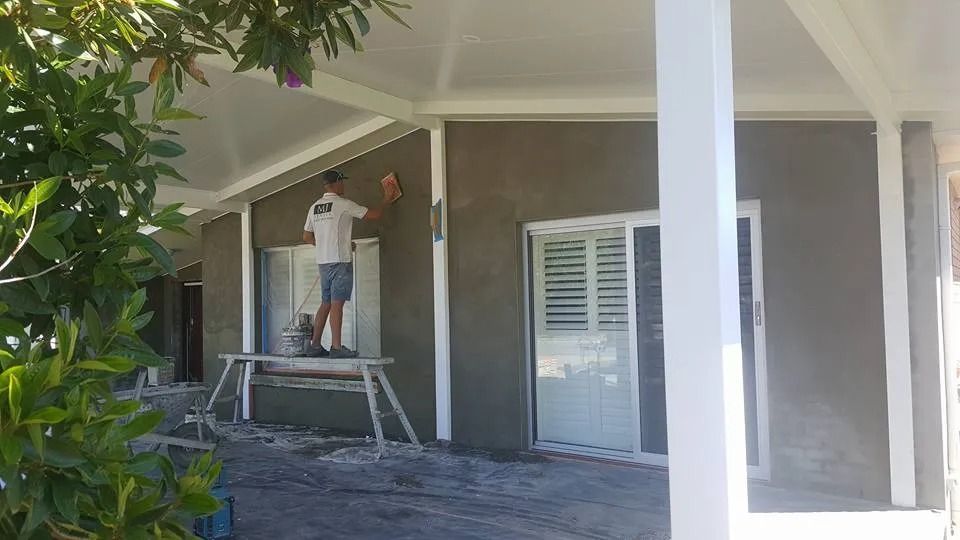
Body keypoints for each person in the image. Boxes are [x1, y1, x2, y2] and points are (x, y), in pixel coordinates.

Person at [302, 169, 397, 358]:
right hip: (340, 262)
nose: (344, 185)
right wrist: (387, 198)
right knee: (337, 304)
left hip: (323, 262)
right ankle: (336, 348)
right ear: (336, 183)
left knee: (326, 303)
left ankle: (314, 345)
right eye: (342, 182)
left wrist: (333, 243)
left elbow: (306, 237)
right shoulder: (343, 204)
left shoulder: (315, 207)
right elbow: (375, 215)